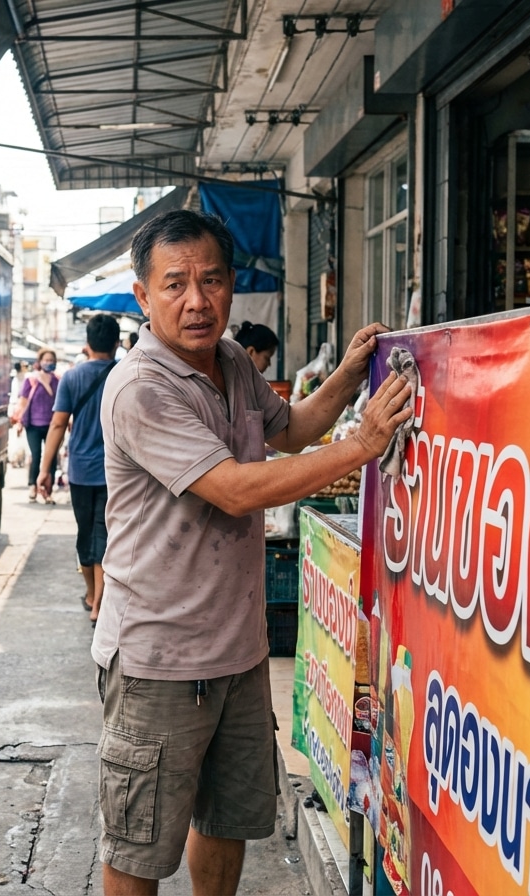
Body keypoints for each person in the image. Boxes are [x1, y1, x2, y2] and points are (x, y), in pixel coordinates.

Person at [92, 210, 413, 894]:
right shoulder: (141, 389)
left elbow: (292, 431)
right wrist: (360, 447)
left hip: (238, 652)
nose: (196, 300)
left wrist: (352, 377)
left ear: (233, 285)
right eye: (174, 284)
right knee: (139, 845)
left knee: (228, 820)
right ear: (143, 297)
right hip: (161, 658)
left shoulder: (234, 361)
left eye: (211, 280)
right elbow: (235, 490)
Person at [37, 314, 120, 622]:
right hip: (117, 472)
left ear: (87, 345)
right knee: (105, 535)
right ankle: (99, 602)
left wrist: (44, 470)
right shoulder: (123, 374)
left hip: (82, 471)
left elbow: (58, 424)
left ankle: (92, 597)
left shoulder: (71, 377)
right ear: (116, 343)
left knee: (86, 534)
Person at [11, 348, 59, 503]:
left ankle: (48, 490)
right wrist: (19, 421)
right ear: (40, 362)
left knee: (51, 457)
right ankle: (32, 485)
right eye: (46, 360)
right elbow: (23, 401)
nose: (48, 363)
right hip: (33, 425)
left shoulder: (58, 380)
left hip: (52, 425)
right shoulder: (31, 379)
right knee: (36, 455)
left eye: (51, 360)